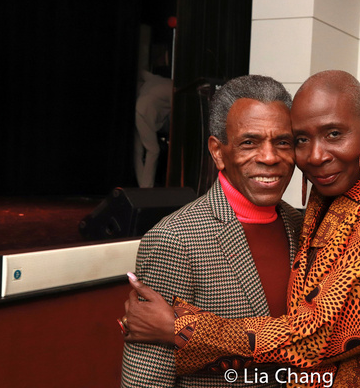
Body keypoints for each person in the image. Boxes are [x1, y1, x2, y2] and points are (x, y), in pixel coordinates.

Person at [123, 70, 360, 387]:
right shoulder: (176, 240)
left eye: (333, 134)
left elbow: (318, 333)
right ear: (218, 152)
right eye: (301, 139)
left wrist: (184, 329)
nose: (314, 155)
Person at [120, 74, 303, 387]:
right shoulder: (174, 240)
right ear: (218, 152)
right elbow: (146, 380)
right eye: (250, 142)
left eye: (282, 142)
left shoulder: (302, 227)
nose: (270, 157)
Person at [134, 70, 173, 188]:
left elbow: (142, 73)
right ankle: (146, 187)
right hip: (143, 114)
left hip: (139, 109)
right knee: (153, 150)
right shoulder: (173, 90)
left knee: (138, 151)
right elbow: (174, 117)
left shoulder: (157, 79)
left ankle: (143, 186)